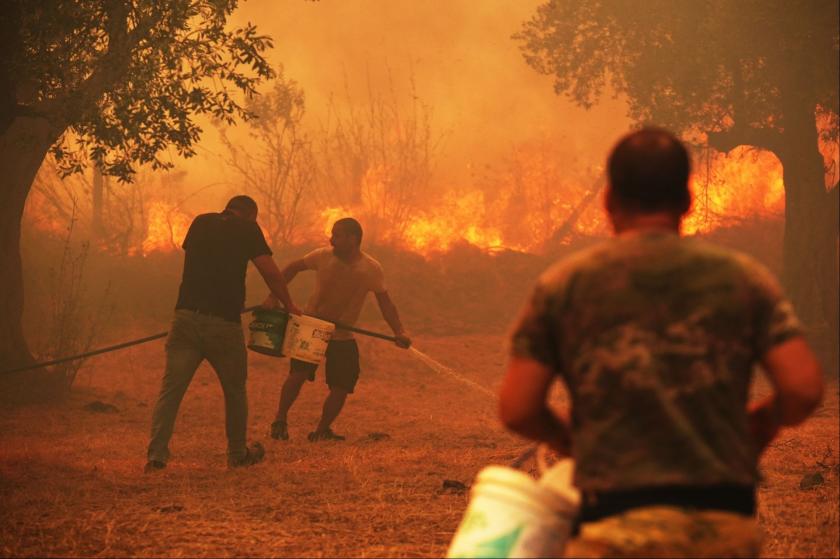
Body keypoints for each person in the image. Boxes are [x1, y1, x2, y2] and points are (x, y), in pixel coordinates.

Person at [499, 128, 825, 557]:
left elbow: (518, 407)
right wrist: (755, 428)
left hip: (612, 526)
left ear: (609, 201)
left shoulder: (564, 285)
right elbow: (802, 388)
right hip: (721, 527)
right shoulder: (744, 279)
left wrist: (572, 442)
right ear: (687, 200)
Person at [145, 195, 302, 473]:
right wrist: (288, 304)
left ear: (228, 208)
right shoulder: (248, 229)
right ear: (251, 215)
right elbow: (270, 271)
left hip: (185, 318)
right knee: (235, 390)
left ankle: (156, 456)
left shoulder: (200, 222)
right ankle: (237, 454)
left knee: (171, 391)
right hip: (223, 323)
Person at [265, 217, 411, 442]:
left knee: (342, 384)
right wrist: (274, 296)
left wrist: (399, 331)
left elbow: (385, 303)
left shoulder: (370, 268)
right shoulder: (322, 256)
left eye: (338, 235)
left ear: (353, 239)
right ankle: (279, 421)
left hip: (343, 334)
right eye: (332, 235)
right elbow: (292, 268)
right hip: (313, 325)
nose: (331, 240)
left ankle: (322, 430)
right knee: (298, 374)